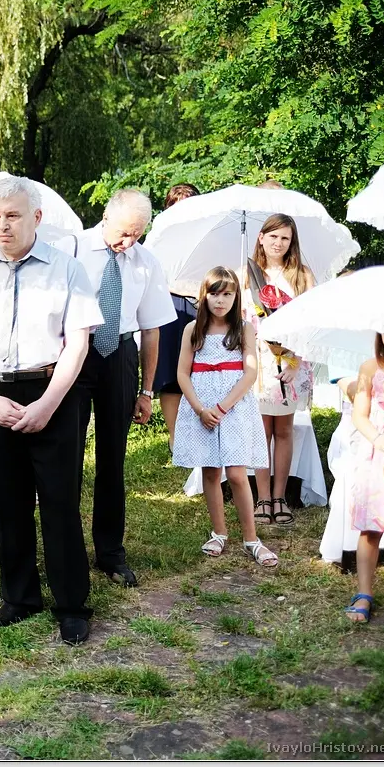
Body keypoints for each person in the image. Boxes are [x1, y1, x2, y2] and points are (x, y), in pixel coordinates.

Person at [0, 175, 103, 646]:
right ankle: (20, 598)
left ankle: (71, 605)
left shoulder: (67, 269)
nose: (3, 225)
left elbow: (78, 343)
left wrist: (49, 403)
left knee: (59, 501)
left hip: (53, 391)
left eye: (12, 216)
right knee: (7, 501)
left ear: (36, 217)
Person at [67, 189, 176, 588]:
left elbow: (152, 329)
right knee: (68, 456)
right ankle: (67, 550)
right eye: (123, 232)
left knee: (112, 458)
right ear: (106, 217)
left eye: (137, 233)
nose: (128, 241)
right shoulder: (72, 249)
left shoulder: (146, 262)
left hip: (120, 354)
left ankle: (110, 552)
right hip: (75, 353)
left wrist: (146, 391)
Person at [172, 266, 276, 567]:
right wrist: (200, 409)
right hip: (202, 408)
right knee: (210, 472)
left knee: (237, 473)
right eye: (214, 294)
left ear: (236, 297)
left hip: (233, 408)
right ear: (204, 296)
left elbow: (250, 373)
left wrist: (222, 407)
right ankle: (219, 532)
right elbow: (182, 373)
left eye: (227, 294)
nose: (220, 301)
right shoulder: (193, 330)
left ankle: (251, 538)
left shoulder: (243, 329)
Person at [240, 213, 317, 527]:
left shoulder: (302, 275)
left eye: (285, 238)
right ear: (261, 238)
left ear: (292, 242)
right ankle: (262, 497)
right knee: (262, 430)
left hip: (291, 361)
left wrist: (294, 360)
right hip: (258, 360)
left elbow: (311, 321)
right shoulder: (246, 274)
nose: (278, 243)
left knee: (284, 430)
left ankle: (279, 496)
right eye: (273, 236)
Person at [344, 333, 384, 623]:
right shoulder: (371, 367)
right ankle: (364, 592)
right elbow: (360, 415)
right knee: (371, 526)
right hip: (383, 454)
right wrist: (377, 437)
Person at [155, 183, 202, 450]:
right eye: (176, 205)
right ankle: (176, 438)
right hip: (170, 307)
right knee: (171, 375)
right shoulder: (161, 237)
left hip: (202, 306)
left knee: (200, 372)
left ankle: (201, 434)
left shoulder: (208, 235)